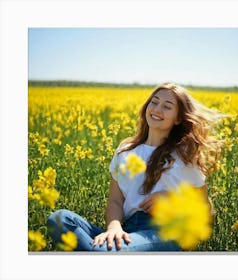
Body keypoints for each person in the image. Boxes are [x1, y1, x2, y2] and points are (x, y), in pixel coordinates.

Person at [47, 82, 223, 251]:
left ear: (178, 119)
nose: (157, 109)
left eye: (167, 106)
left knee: (103, 250)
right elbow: (115, 200)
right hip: (127, 232)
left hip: (165, 233)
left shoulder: (184, 155)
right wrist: (114, 228)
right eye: (154, 102)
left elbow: (205, 211)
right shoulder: (125, 149)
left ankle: (107, 253)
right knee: (59, 219)